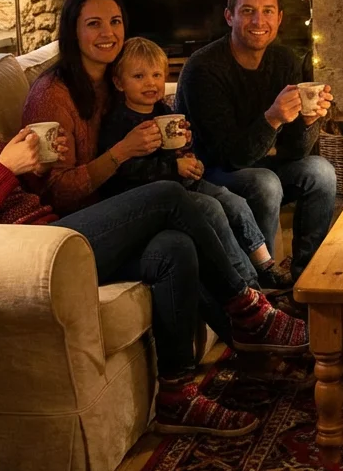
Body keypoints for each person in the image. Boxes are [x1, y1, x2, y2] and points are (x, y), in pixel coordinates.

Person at [0, 0, 303, 438]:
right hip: (22, 255)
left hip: (43, 232)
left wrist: (35, 168)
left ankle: (177, 396)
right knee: (169, 197)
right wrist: (4, 169)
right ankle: (248, 310)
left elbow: (13, 190)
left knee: (174, 247)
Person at [21, 0, 308, 348]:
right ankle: (251, 307)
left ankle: (221, 351)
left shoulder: (112, 81)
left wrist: (180, 145)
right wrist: (122, 152)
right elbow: (58, 193)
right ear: (72, 30)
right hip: (80, 218)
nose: (108, 33)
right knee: (183, 198)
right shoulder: (53, 95)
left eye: (115, 21)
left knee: (178, 245)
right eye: (94, 24)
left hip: (125, 200)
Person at [177, 0, 337, 283]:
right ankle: (263, 285)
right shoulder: (204, 68)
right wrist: (273, 118)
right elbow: (229, 156)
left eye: (267, 11)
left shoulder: (284, 60)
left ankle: (307, 280)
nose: (258, 21)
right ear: (230, 16)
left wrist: (307, 122)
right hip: (211, 172)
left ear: (279, 18)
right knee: (265, 182)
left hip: (260, 162)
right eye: (248, 11)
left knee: (321, 171)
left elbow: (295, 151)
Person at [99, 37, 292, 291]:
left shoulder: (163, 111)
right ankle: (248, 284)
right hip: (150, 194)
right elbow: (126, 172)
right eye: (138, 76)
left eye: (157, 75)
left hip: (183, 182)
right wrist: (173, 167)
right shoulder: (119, 122)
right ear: (118, 82)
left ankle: (265, 265)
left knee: (236, 203)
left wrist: (188, 154)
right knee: (214, 209)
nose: (150, 83)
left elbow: (176, 152)